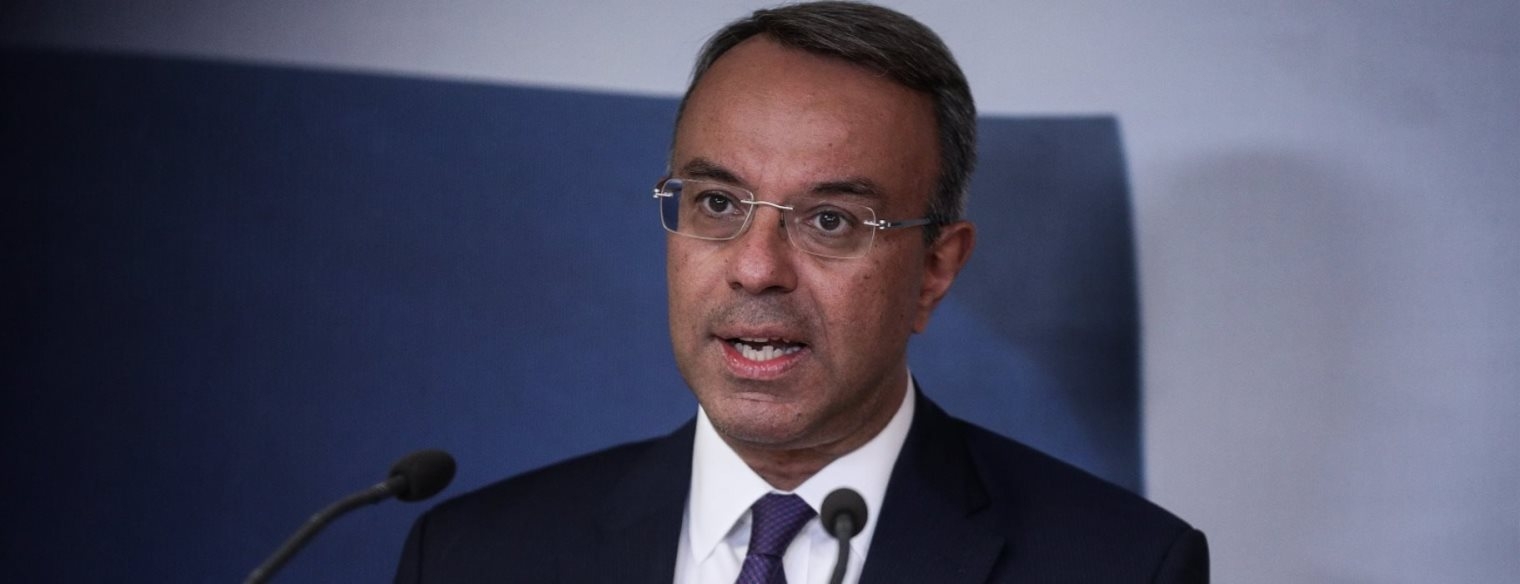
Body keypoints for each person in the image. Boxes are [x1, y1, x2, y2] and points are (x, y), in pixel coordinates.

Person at [393, 2, 1208, 583]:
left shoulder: (1121, 565)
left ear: (934, 269)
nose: (756, 269)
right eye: (718, 204)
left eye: (829, 220)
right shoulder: (473, 557)